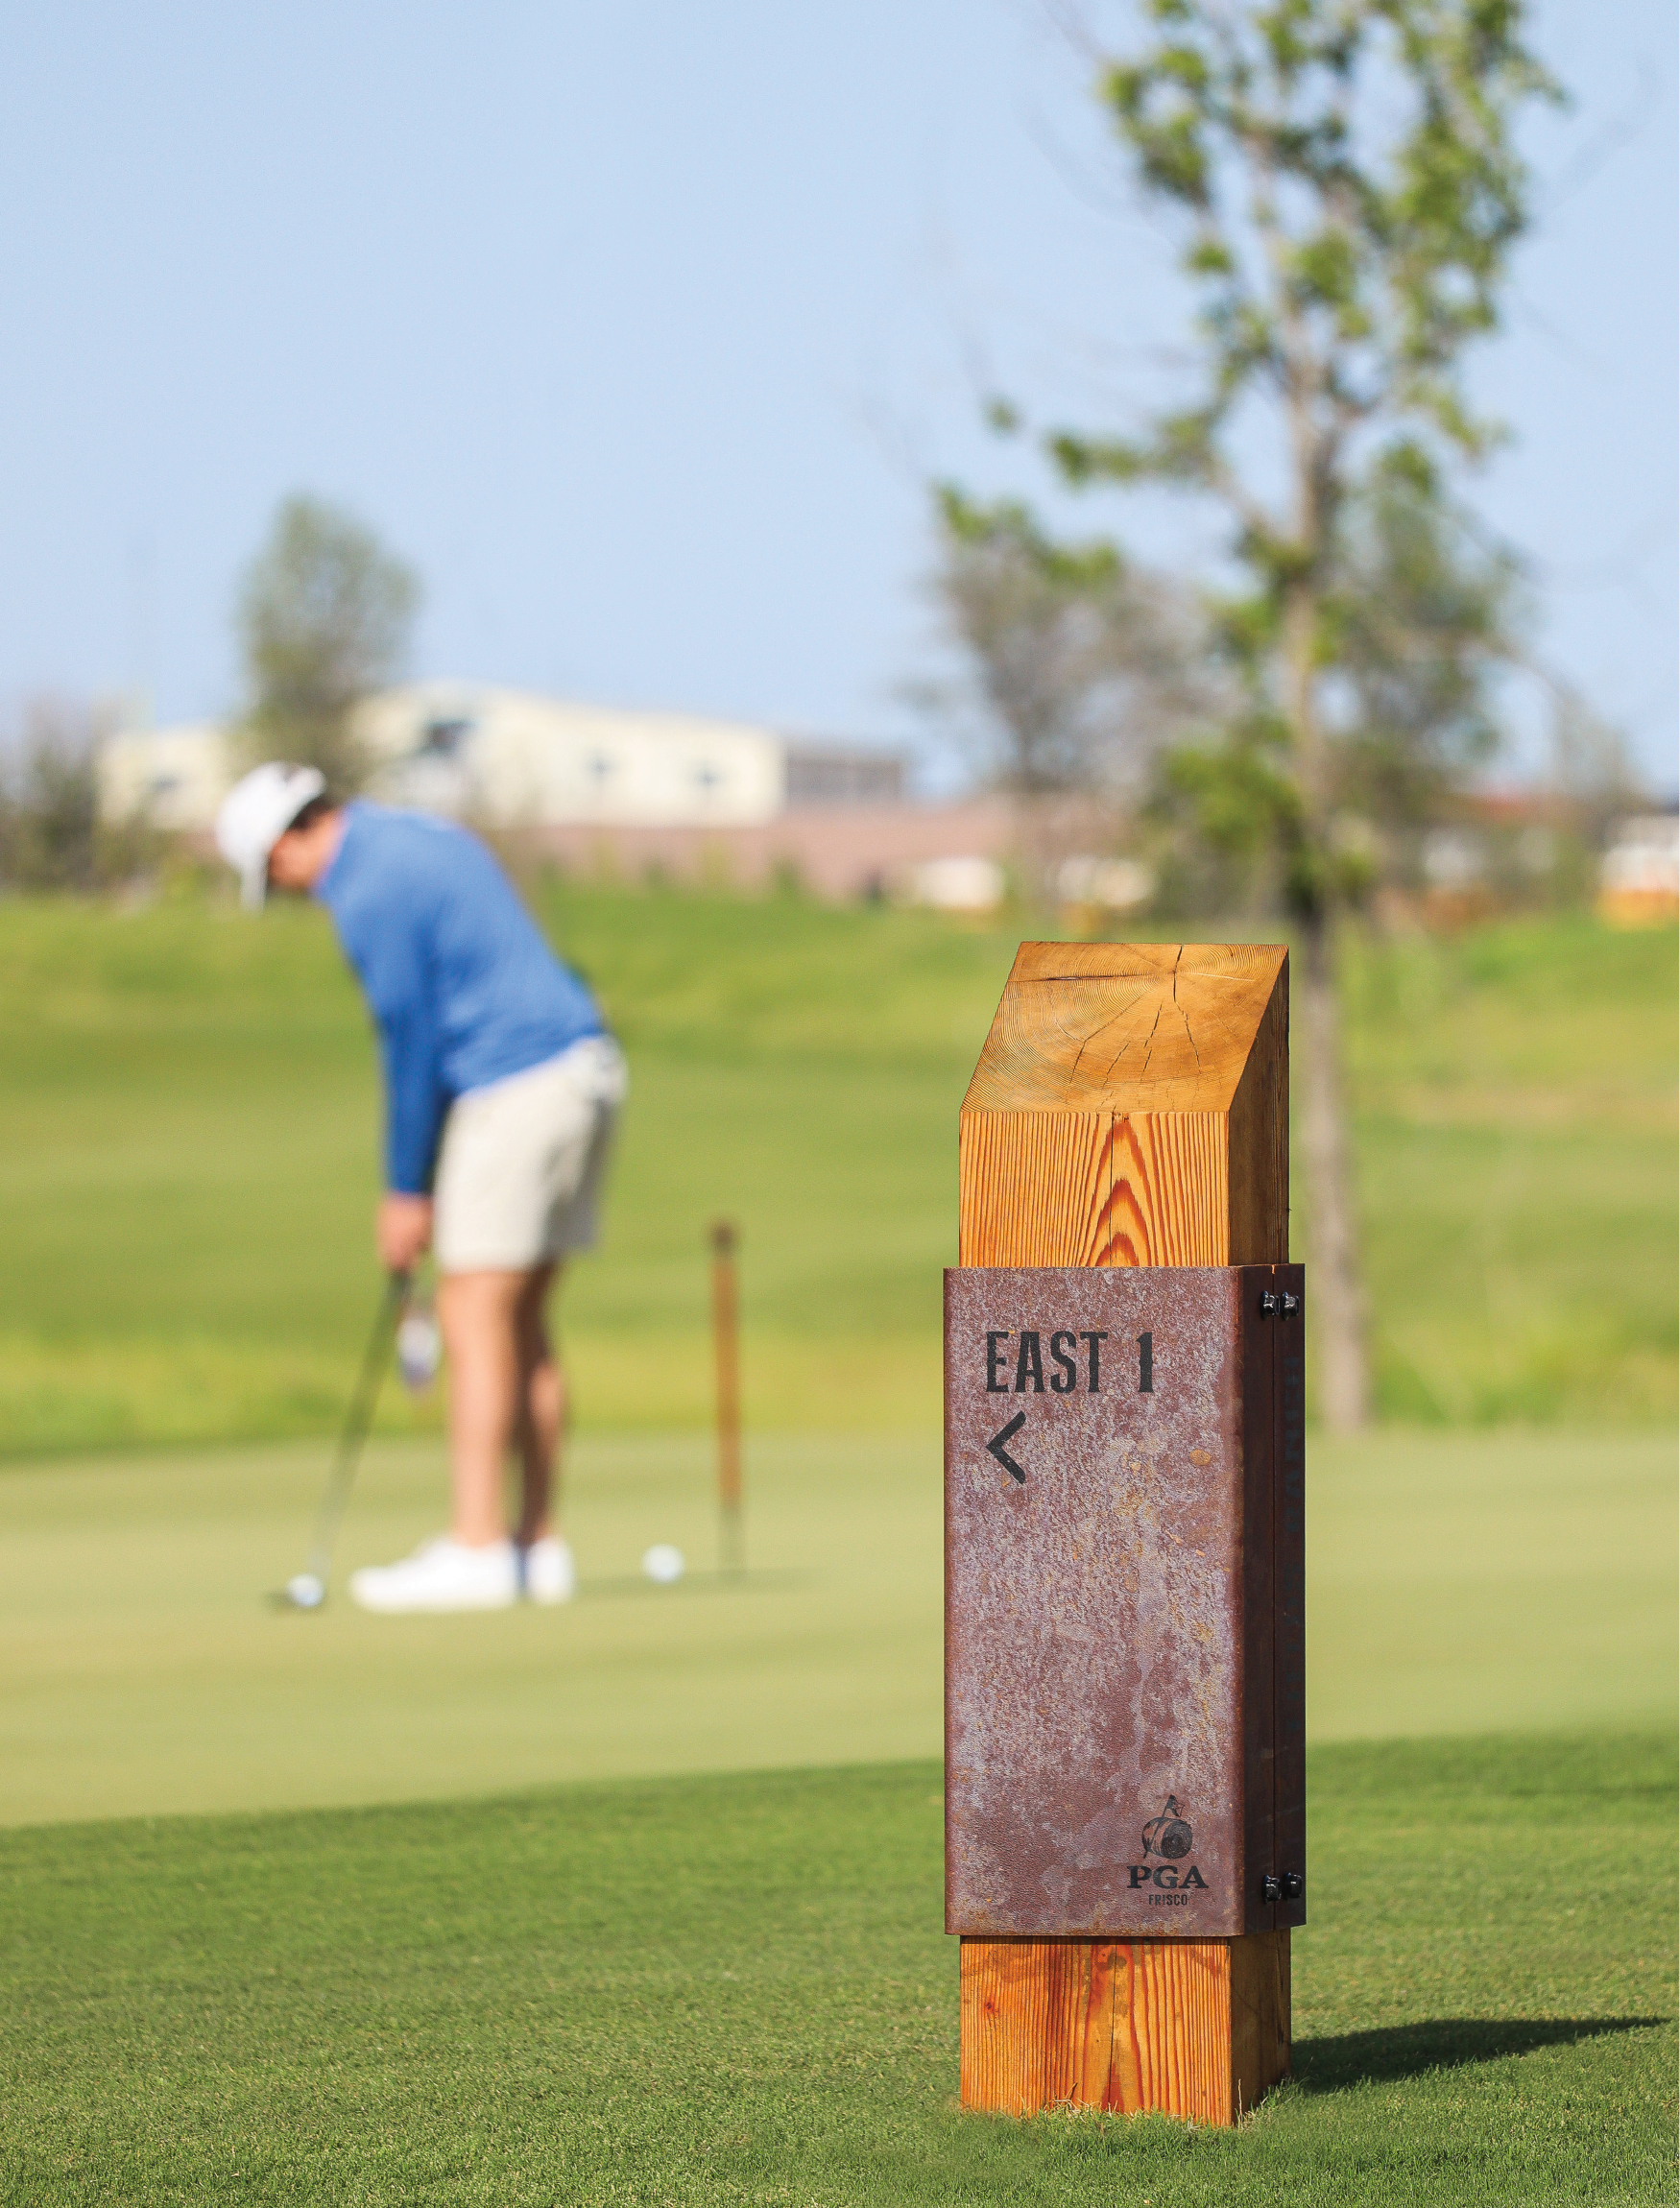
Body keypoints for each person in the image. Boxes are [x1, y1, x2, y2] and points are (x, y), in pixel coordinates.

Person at [214, 760, 625, 1614]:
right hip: (583, 1070)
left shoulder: (365, 887)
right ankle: (535, 1546)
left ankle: (477, 1548)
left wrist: (406, 1189)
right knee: (522, 1319)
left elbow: (409, 1046)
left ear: (292, 834)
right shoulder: (413, 836)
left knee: (472, 1311)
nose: (288, 891)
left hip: (514, 1084)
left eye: (275, 872)